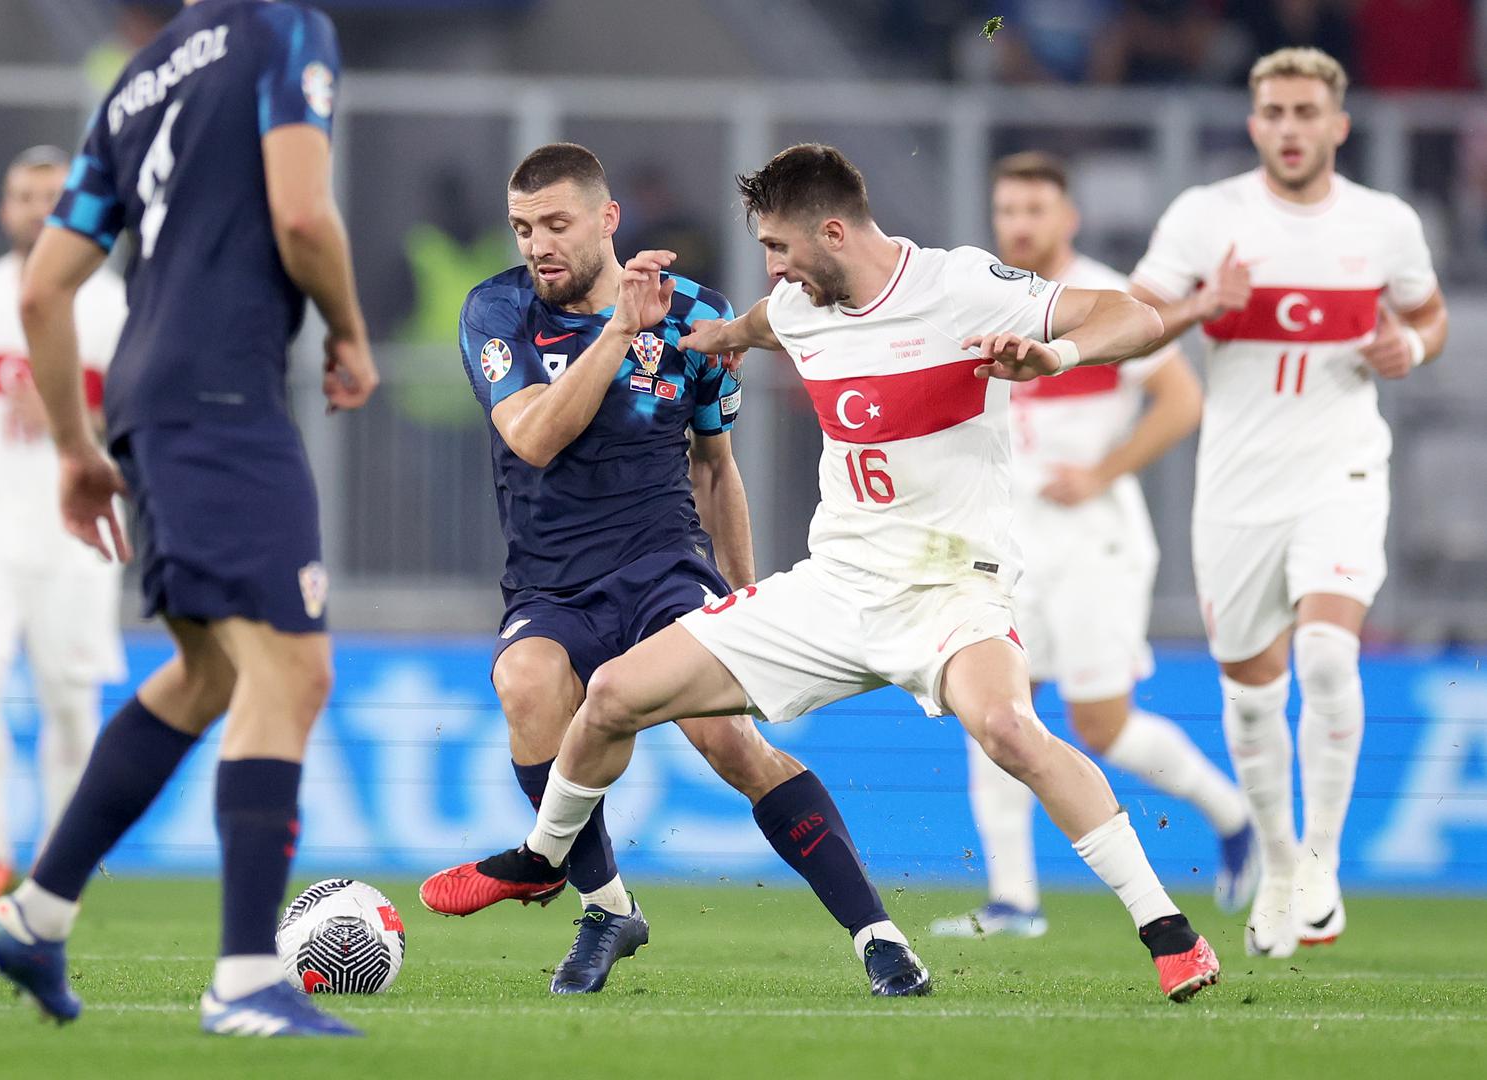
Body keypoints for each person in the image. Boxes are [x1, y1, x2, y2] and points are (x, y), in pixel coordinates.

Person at [424, 143, 1223, 1003]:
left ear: (832, 231)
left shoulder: (960, 286)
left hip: (950, 585)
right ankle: (549, 861)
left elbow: (1133, 316)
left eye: (777, 248)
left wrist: (1055, 357)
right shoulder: (794, 306)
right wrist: (715, 335)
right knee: (612, 693)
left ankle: (1168, 931)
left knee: (1008, 731)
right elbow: (754, 327)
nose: (771, 269)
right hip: (833, 584)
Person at [419, 143, 928, 998]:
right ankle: (608, 907)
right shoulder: (494, 312)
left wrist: (746, 596)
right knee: (526, 687)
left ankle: (877, 935)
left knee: (728, 740)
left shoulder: (696, 313)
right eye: (521, 228)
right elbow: (535, 438)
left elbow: (715, 468)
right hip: (550, 583)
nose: (536, 245)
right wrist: (621, 331)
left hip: (663, 569)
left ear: (606, 220)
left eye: (555, 224)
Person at [0, 0, 379, 1037]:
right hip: (224, 396)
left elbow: (44, 291)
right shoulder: (284, 30)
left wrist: (74, 444)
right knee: (294, 668)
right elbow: (300, 213)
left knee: (212, 674)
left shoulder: (138, 79)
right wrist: (349, 330)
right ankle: (244, 979)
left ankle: (35, 911)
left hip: (147, 397)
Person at [1128, 47, 1448, 957]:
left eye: (1307, 112)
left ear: (1337, 124)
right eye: (1274, 111)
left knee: (1326, 650)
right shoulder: (1206, 217)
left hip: (1341, 469)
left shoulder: (1384, 224)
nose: (1291, 128)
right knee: (1253, 692)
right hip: (1236, 485)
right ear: (1253, 122)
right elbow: (1137, 318)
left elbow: (1427, 315)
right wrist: (1201, 306)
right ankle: (1276, 860)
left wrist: (1412, 352)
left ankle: (1320, 861)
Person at [932, 152, 1255, 941]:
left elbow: (1181, 402)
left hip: (1094, 541)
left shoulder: (1103, 301)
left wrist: (1102, 470)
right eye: (1007, 209)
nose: (1019, 224)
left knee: (1101, 724)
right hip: (1009, 542)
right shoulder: (986, 298)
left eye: (1035, 209)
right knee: (994, 709)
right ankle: (1013, 899)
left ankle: (1232, 815)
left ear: (1066, 218)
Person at [0, 145, 128, 916]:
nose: (36, 208)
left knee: (68, 699)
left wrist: (68, 416)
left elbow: (139, 404)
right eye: (22, 195)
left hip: (71, 526)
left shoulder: (111, 301)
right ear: (4, 206)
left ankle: (54, 862)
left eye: (52, 195)